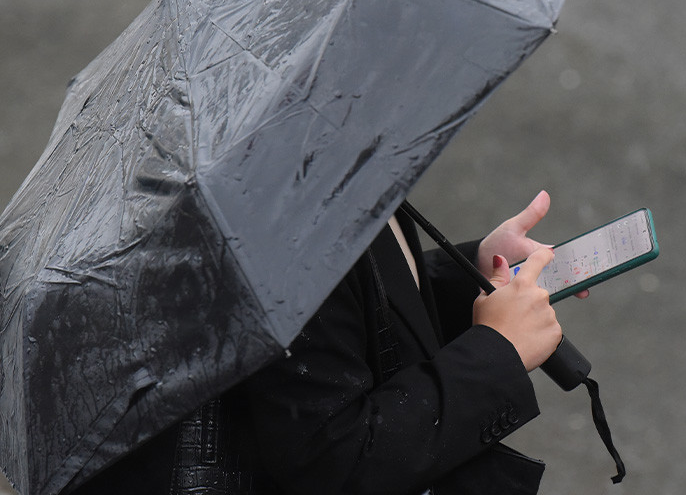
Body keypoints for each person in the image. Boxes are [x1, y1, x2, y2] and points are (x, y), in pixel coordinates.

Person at [75, 191, 572, 495]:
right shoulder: (293, 228)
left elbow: (362, 310)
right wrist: (496, 351)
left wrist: (476, 274)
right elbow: (335, 459)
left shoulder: (337, 163)